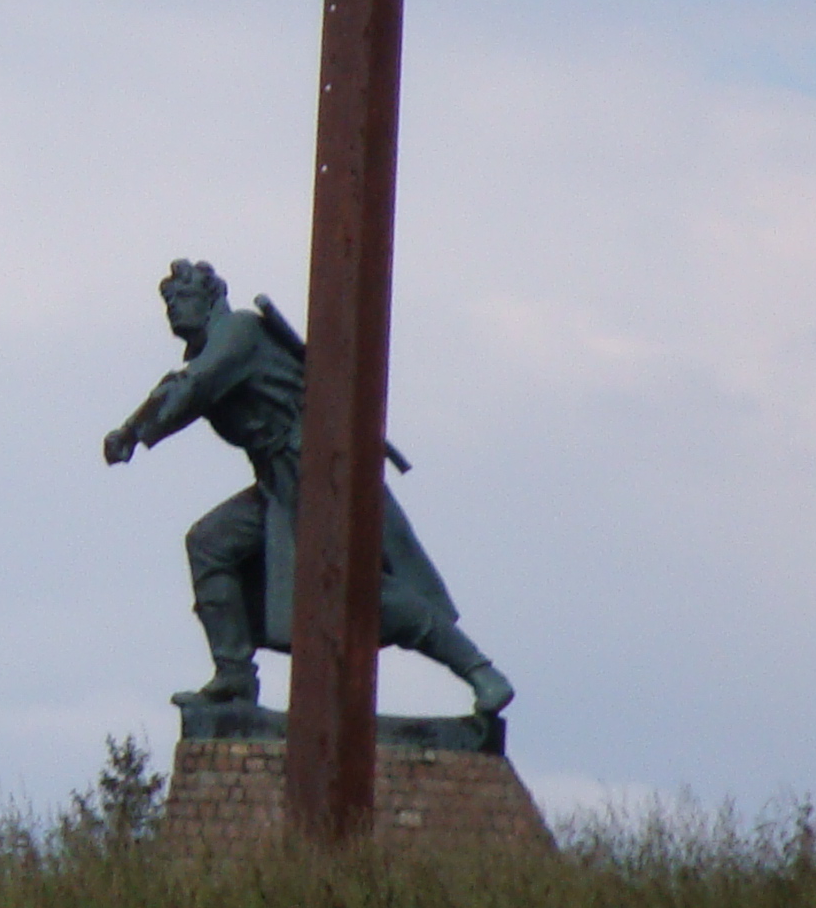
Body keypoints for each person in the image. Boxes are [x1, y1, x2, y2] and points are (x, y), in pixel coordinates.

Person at [102, 258, 513, 716]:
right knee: (211, 543)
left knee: (353, 587)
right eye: (169, 302)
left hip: (320, 471)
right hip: (279, 481)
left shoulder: (238, 332)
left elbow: (193, 386)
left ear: (213, 297)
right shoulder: (212, 350)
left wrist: (132, 432)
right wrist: (135, 428)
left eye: (183, 297)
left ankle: (480, 671)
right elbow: (189, 384)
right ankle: (234, 673)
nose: (174, 309)